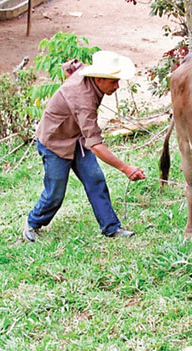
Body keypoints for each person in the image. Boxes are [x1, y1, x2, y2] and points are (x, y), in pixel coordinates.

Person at [23, 50, 145, 242]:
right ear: (98, 79)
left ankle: (111, 228)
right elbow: (95, 144)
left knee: (95, 180)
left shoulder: (88, 73)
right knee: (55, 191)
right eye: (113, 82)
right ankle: (33, 222)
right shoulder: (84, 101)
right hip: (55, 142)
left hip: (77, 138)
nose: (117, 86)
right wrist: (126, 168)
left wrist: (69, 75)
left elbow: (71, 65)